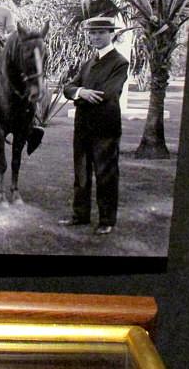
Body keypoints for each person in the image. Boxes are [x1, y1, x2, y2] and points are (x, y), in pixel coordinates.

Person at [59, 16, 129, 236]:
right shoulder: (88, 63)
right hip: (82, 126)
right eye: (92, 33)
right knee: (81, 173)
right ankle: (80, 215)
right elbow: (68, 88)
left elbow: (108, 94)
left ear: (111, 35)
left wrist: (81, 94)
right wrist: (81, 92)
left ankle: (107, 220)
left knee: (105, 174)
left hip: (105, 126)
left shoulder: (119, 62)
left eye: (101, 33)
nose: (96, 37)